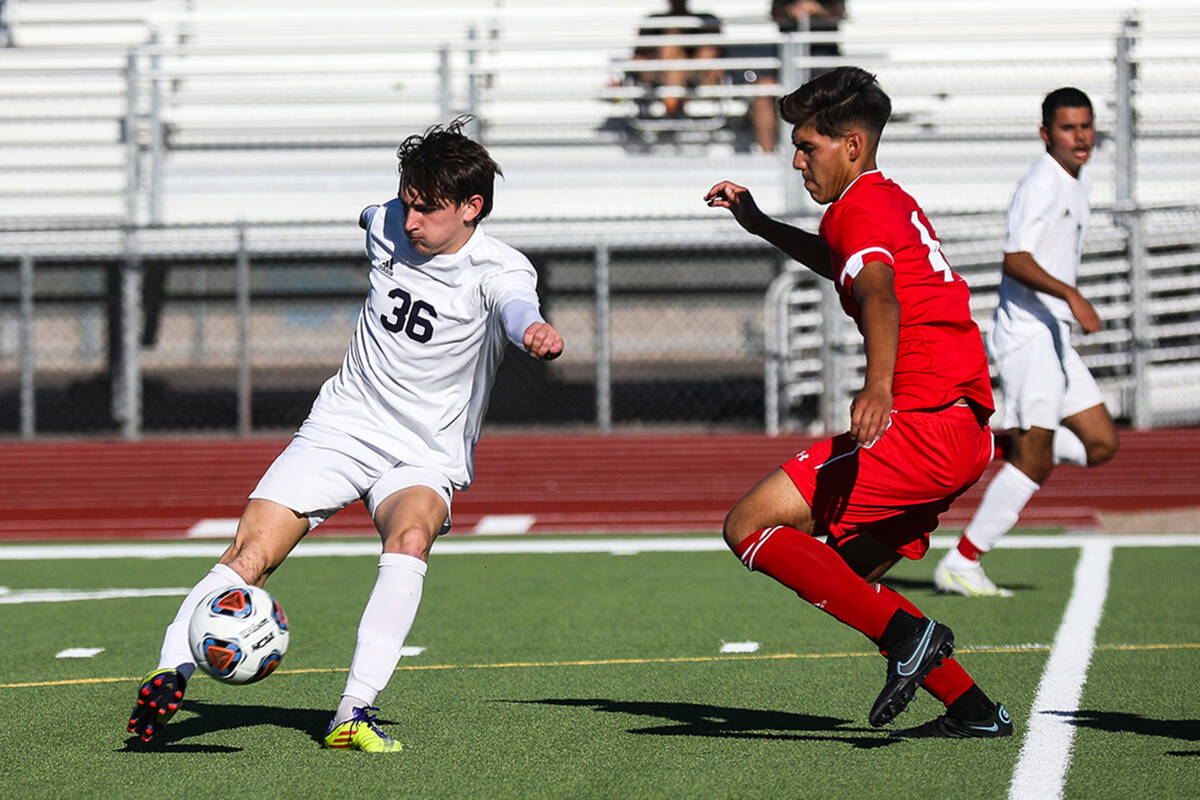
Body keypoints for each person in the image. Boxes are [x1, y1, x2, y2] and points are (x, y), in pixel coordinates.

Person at [125, 117, 565, 752]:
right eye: (407, 203)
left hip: (422, 449)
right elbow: (374, 214)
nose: (411, 222)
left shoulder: (500, 270)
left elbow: (518, 305)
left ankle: (352, 710)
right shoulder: (385, 221)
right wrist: (395, 205)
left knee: (410, 538)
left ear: (473, 208)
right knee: (250, 555)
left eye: (428, 209)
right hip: (340, 425)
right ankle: (171, 673)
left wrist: (532, 331)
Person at [704, 66, 1012, 738]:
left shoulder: (860, 210)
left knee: (750, 526)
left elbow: (877, 293)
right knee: (846, 580)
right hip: (959, 430)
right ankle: (973, 709)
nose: (796, 159)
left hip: (920, 423)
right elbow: (843, 260)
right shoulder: (884, 200)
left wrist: (877, 387)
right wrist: (760, 224)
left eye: (807, 146)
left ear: (852, 146)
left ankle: (914, 639)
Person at [934, 88, 1118, 597]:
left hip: (1054, 334)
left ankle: (1000, 441)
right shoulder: (1043, 183)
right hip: (1028, 336)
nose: (1080, 137)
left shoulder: (1075, 181)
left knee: (1101, 442)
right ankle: (962, 563)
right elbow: (1014, 259)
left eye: (1086, 126)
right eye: (1067, 128)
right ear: (1045, 134)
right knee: (1035, 461)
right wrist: (1071, 294)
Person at [740, 1, 846, 153]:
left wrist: (817, 10)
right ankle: (768, 155)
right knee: (764, 89)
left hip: (823, 57)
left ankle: (828, 155)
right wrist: (789, 10)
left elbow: (839, 11)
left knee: (827, 96)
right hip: (786, 56)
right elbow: (775, 11)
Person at [630, 0, 724, 117]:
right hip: (660, 78)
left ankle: (673, 103)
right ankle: (674, 103)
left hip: (700, 78)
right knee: (672, 45)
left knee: (703, 52)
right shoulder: (653, 21)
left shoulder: (706, 20)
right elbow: (639, 58)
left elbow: (716, 57)